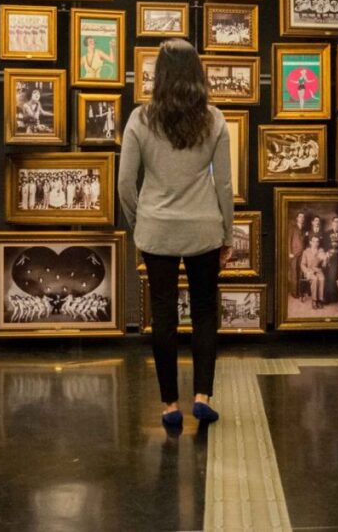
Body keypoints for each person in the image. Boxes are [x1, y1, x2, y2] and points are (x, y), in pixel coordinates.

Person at [118, 39, 233, 431]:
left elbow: (124, 185)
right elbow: (224, 188)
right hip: (204, 229)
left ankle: (170, 405)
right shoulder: (214, 120)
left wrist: (141, 224)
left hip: (157, 229)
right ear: (197, 73)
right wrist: (228, 235)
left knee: (163, 316)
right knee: (204, 312)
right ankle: (202, 396)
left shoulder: (140, 119)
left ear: (160, 75)